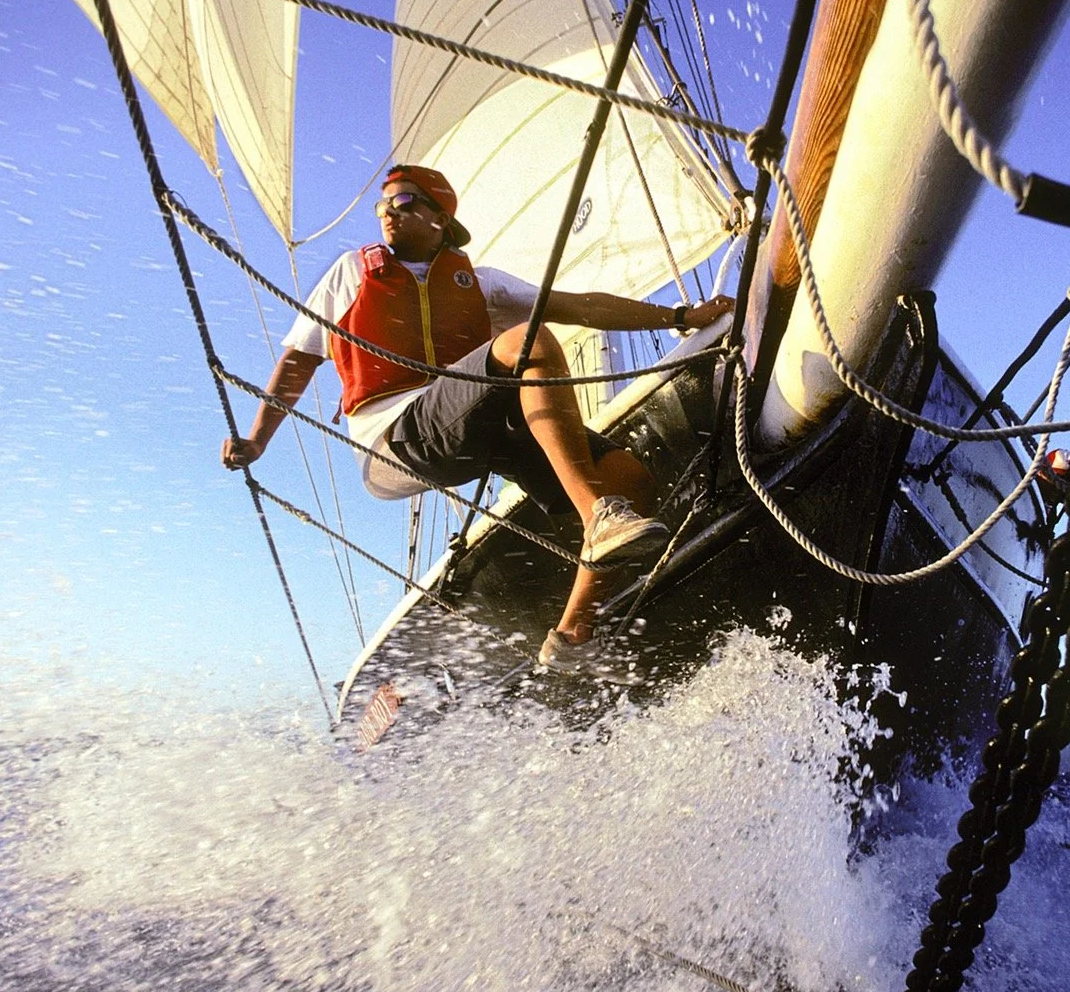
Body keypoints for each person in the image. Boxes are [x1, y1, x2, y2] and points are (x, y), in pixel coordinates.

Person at [221, 164, 732, 665]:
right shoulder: (351, 273)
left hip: (469, 426)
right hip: (395, 441)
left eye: (403, 202)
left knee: (629, 478)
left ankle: (572, 636)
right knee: (524, 344)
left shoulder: (480, 284)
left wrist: (681, 316)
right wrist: (258, 439)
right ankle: (596, 514)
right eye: (383, 206)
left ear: (441, 218)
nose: (387, 214)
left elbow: (583, 308)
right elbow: (300, 357)